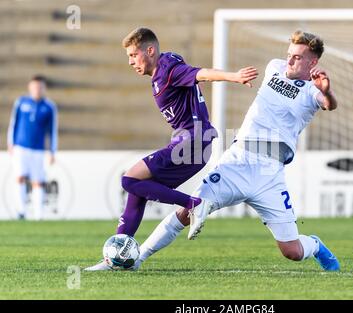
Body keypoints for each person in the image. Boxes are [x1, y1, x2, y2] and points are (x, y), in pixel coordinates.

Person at [133, 30, 340, 272]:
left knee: (292, 252)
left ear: (312, 62)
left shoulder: (312, 91)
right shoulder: (275, 67)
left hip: (270, 173)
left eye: (297, 57)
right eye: (289, 54)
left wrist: (326, 91)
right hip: (239, 160)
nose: (290, 60)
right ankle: (137, 259)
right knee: (188, 211)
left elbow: (328, 104)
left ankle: (315, 245)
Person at [85, 27, 257, 271]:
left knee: (129, 179)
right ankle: (116, 259)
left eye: (134, 55)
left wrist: (234, 76)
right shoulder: (167, 62)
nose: (131, 62)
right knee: (137, 189)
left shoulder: (169, 71)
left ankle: (193, 204)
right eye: (129, 57)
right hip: (196, 144)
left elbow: (201, 74)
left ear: (150, 50)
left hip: (192, 141)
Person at [7, 75, 58, 221]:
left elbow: (52, 130)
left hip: (38, 149)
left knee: (38, 181)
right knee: (20, 177)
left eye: (40, 87)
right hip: (20, 147)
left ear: (44, 88)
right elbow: (13, 123)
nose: (37, 89)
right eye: (35, 86)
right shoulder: (21, 102)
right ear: (30, 87)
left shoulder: (49, 107)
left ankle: (38, 216)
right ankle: (21, 212)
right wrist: (10, 143)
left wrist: (52, 151)